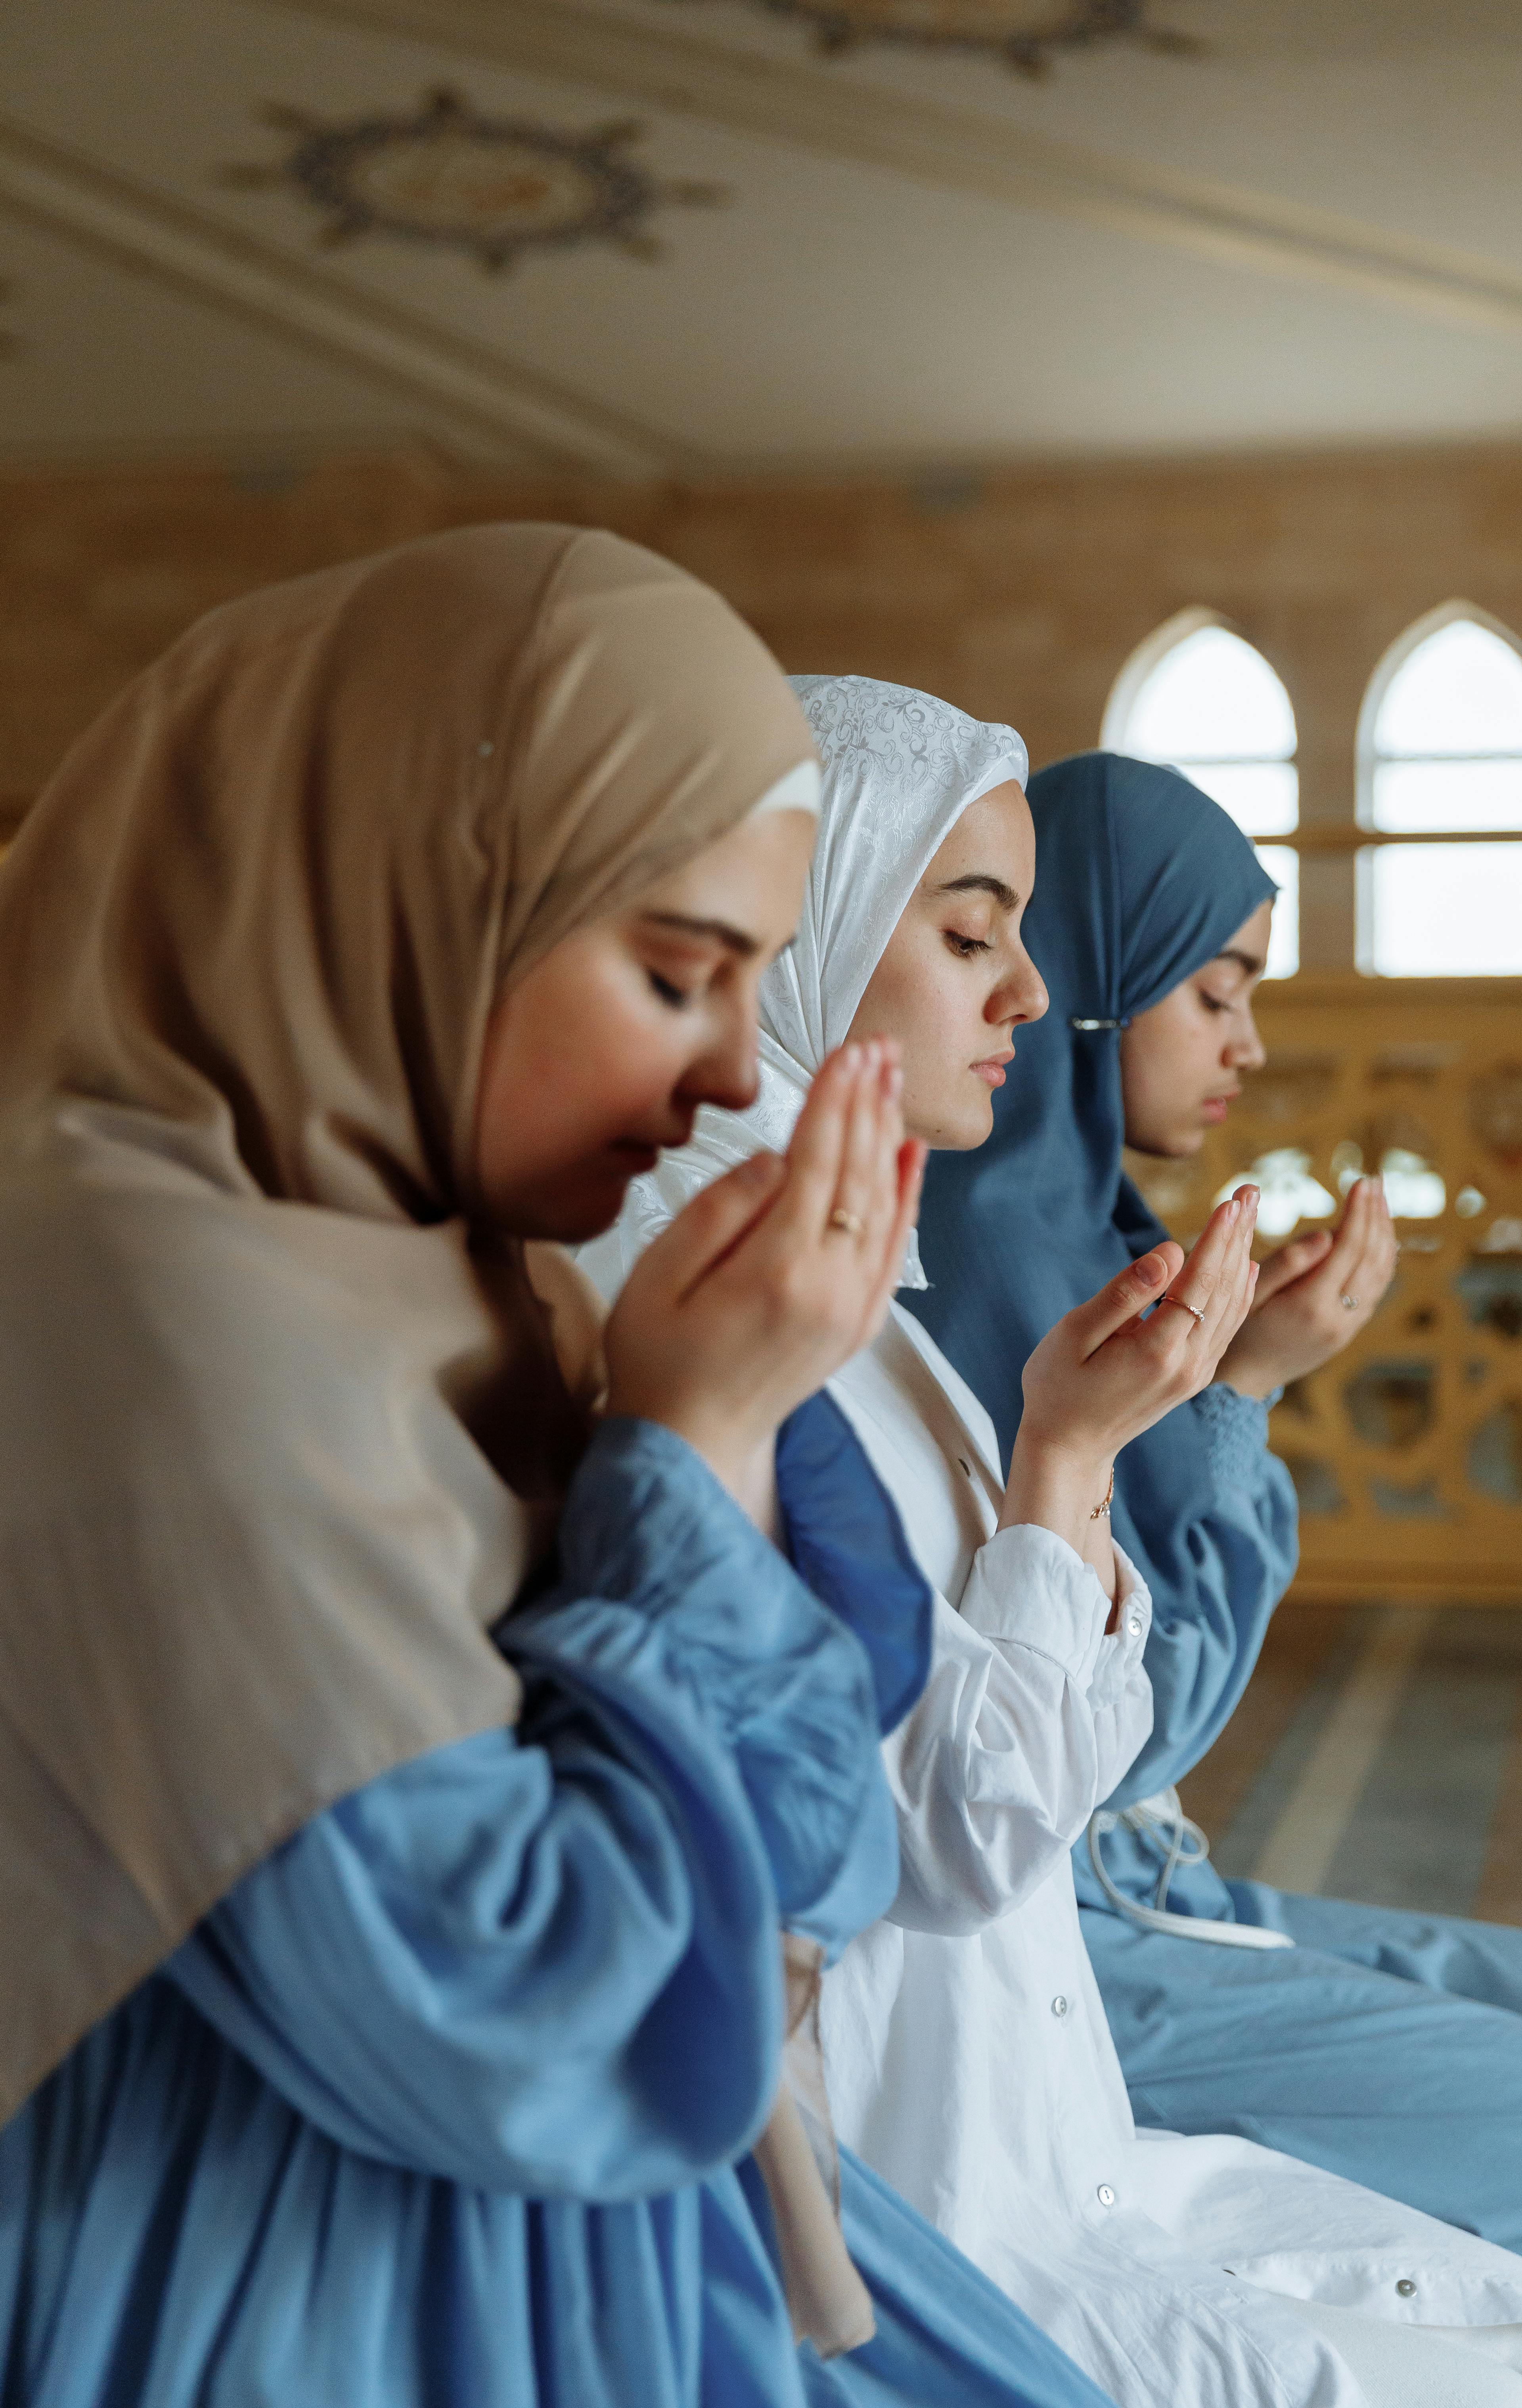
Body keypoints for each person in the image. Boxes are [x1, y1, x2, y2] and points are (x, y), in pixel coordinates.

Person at [0, 531, 1115, 2408]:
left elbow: (811, 1850)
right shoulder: (154, 1320)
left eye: (760, 984)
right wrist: (692, 1447)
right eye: (679, 976)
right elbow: (558, 2017)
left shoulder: (444, 1261)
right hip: (301, 2290)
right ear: (419, 897)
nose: (726, 1077)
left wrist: (716, 1424)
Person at [586, 675, 1522, 2408]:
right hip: (1002, 2052)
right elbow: (960, 1826)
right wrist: (1155, 1428)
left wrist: (1131, 1430)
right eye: (978, 929)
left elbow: (1050, 1748)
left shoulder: (890, 1290)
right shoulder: (754, 1294)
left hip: (1055, 2003)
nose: (1035, 990)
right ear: (804, 920)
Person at [909, 749, 1522, 2312]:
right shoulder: (985, 1265)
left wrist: (1239, 1384)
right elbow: (1141, 1733)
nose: (1247, 1044)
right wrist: (1244, 1392)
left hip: (1155, 1884)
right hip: (1068, 1938)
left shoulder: (1078, 1220)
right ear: (1102, 979)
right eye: (1213, 992)